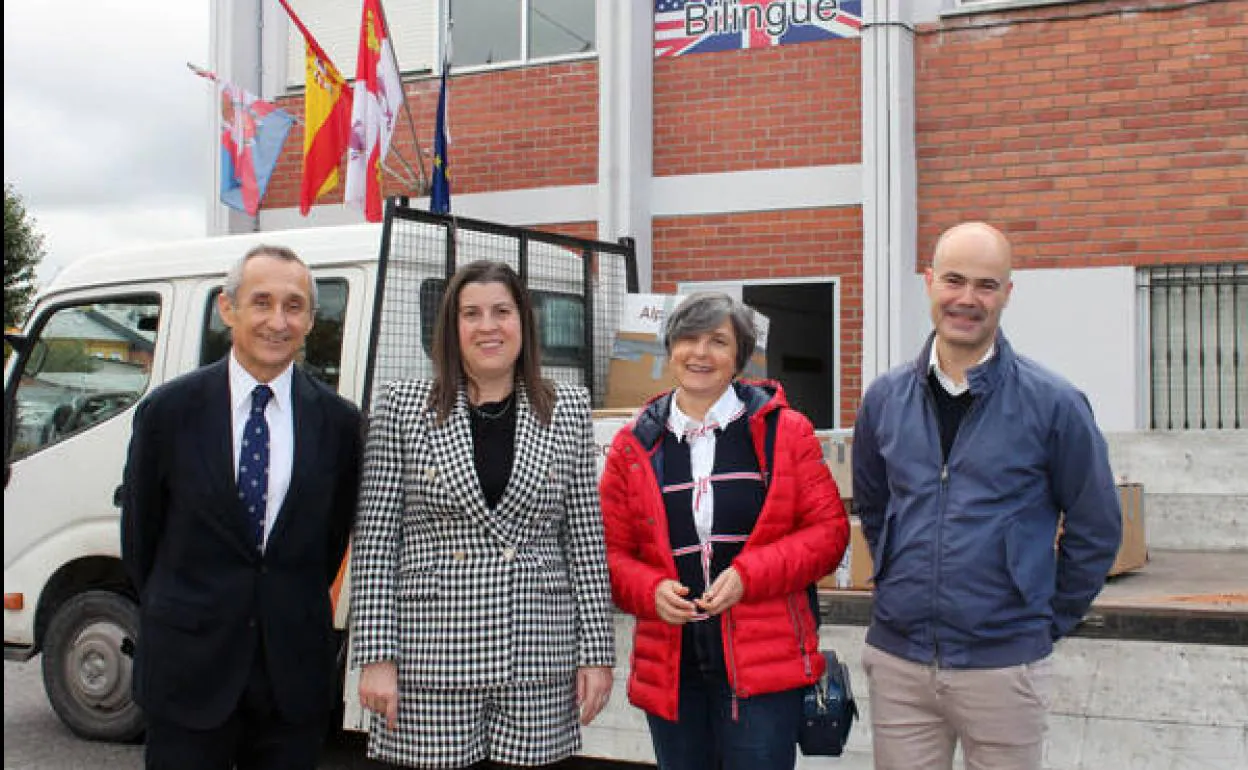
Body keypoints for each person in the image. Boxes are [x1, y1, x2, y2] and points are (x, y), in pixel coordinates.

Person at [852, 222, 1123, 770]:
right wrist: (897, 581)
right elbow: (875, 507)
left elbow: (1096, 528)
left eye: (986, 285)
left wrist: (1042, 622)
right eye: (954, 280)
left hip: (1004, 667)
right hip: (900, 661)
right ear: (929, 281)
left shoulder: (1055, 404)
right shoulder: (884, 399)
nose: (967, 300)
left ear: (1007, 293)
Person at [351, 260, 615, 769]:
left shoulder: (568, 408)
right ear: (452, 327)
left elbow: (584, 539)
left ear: (524, 323)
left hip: (537, 648)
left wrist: (597, 654)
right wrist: (377, 657)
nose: (487, 326)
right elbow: (378, 540)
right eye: (471, 313)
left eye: (501, 311)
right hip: (430, 650)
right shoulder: (403, 405)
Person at [121, 244, 363, 769]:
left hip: (291, 678)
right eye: (262, 302)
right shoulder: (169, 412)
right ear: (229, 310)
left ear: (311, 320)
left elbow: (328, 544)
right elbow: (141, 541)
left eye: (294, 306)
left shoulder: (340, 425)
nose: (278, 321)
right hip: (188, 671)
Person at [599, 292, 849, 770]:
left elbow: (828, 533)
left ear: (739, 356)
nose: (700, 353)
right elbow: (609, 553)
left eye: (717, 341)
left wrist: (749, 576)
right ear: (669, 349)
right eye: (688, 338)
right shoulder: (633, 445)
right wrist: (649, 590)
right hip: (673, 665)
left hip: (762, 663)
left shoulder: (785, 431)